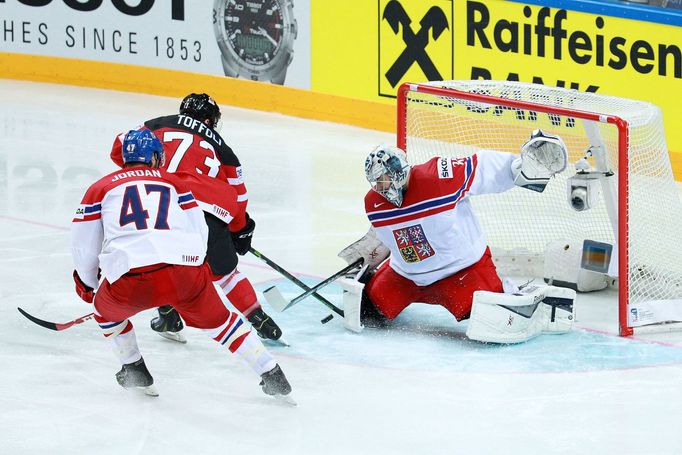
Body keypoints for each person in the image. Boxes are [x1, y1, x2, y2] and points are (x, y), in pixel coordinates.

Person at [73, 129, 292, 398]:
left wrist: (87, 283)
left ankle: (134, 369)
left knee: (105, 314)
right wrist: (194, 267)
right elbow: (198, 230)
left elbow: (84, 245)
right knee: (223, 324)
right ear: (153, 156)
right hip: (184, 274)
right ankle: (272, 373)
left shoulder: (100, 187)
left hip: (130, 279)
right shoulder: (175, 182)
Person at [337, 131, 576, 343]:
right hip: (407, 276)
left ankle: (529, 299)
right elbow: (387, 235)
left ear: (398, 170)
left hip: (461, 271)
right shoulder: (373, 202)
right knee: (368, 312)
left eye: (383, 178)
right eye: (375, 181)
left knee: (493, 320)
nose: (380, 186)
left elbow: (482, 166)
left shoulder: (438, 176)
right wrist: (367, 259)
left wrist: (519, 168)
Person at [110, 93, 282, 342]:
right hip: (209, 209)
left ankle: (168, 313)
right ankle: (259, 318)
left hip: (164, 204)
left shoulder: (156, 124)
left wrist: (142, 173)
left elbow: (119, 149)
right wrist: (239, 229)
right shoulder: (224, 149)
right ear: (209, 119)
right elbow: (238, 196)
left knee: (160, 261)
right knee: (226, 274)